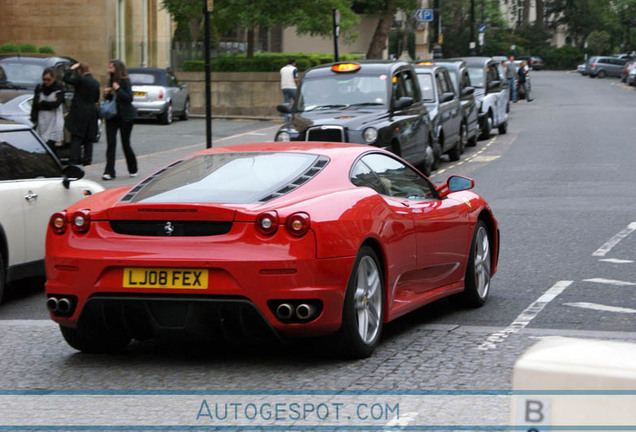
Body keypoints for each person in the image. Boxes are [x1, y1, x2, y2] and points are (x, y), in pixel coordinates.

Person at [102, 59, 138, 180]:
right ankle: (109, 171)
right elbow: (111, 99)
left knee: (125, 143)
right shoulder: (111, 80)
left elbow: (129, 98)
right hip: (112, 116)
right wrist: (107, 93)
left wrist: (117, 89)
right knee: (111, 144)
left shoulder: (125, 81)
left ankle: (133, 168)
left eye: (111, 67)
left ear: (117, 69)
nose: (109, 70)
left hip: (125, 117)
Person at [63, 63, 100, 166]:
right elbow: (96, 99)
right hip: (91, 113)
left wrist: (71, 69)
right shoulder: (96, 82)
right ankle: (87, 160)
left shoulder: (80, 80)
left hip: (79, 112)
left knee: (77, 138)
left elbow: (66, 79)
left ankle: (74, 160)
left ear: (79, 71)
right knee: (89, 139)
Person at [31, 67, 65, 152]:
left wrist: (42, 103)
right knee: (42, 143)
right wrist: (48, 104)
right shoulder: (40, 88)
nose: (46, 82)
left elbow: (56, 104)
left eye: (48, 80)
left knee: (51, 144)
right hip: (42, 119)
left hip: (54, 119)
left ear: (54, 78)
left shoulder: (59, 89)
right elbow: (36, 104)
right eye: (44, 79)